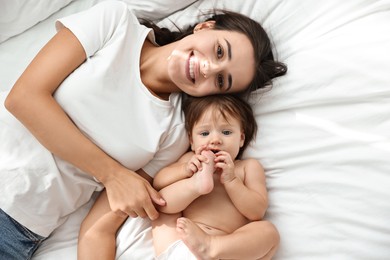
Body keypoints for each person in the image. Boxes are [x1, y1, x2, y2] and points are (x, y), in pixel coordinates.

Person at [0, 0, 286, 258]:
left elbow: (97, 229)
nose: (209, 69)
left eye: (222, 80)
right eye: (220, 50)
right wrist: (112, 174)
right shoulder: (115, 22)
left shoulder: (175, 133)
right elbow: (23, 98)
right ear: (204, 27)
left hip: (18, 232)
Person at [78, 94, 278, 259]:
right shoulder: (190, 160)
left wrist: (232, 181)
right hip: (180, 247)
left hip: (227, 249)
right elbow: (159, 182)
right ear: (191, 140)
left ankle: (212, 246)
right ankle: (198, 186)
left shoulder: (247, 168)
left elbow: (256, 211)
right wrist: (186, 173)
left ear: (241, 138)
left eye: (226, 132)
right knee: (161, 202)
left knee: (268, 232)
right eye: (205, 133)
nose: (215, 140)